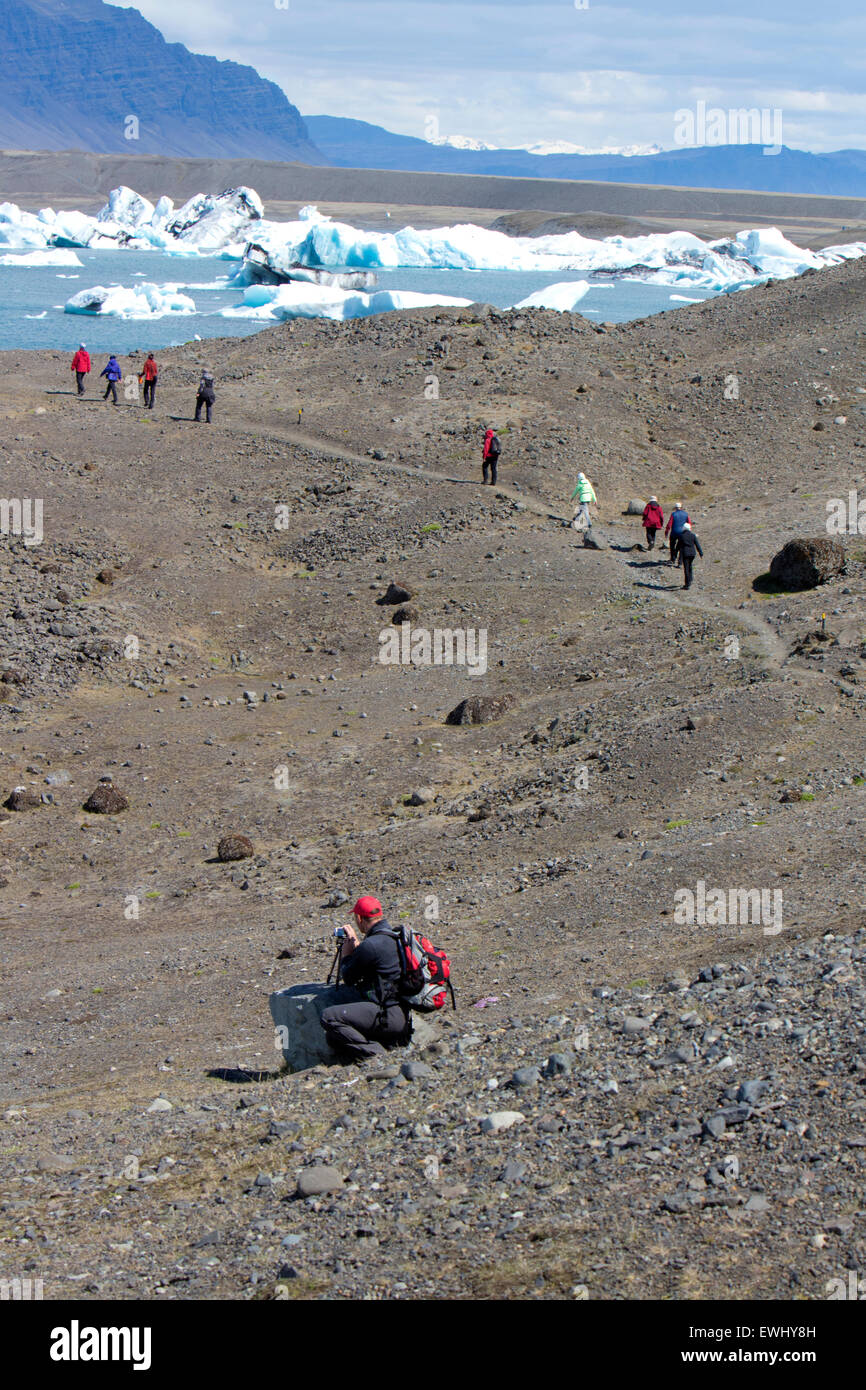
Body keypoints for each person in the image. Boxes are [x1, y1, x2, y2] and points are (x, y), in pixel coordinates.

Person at [320, 896, 410, 1061]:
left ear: (359, 918)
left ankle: (377, 1055)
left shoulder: (371, 944)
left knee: (329, 1016)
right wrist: (358, 948)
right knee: (333, 1038)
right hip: (402, 1013)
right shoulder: (393, 936)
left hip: (387, 1015)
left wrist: (347, 955)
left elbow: (348, 978)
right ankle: (387, 1044)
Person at [677, 521, 703, 589]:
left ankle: (687, 584)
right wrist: (700, 553)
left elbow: (678, 546)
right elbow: (697, 544)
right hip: (692, 553)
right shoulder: (693, 535)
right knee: (690, 566)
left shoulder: (681, 536)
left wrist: (675, 552)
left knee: (686, 568)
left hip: (685, 554)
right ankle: (690, 579)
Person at [664, 501, 690, 566]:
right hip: (682, 533)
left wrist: (666, 532)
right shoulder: (685, 514)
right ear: (681, 507)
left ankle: (673, 559)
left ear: (675, 508)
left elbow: (669, 524)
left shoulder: (673, 514)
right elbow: (689, 523)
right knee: (681, 547)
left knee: (672, 545)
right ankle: (680, 562)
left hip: (674, 532)